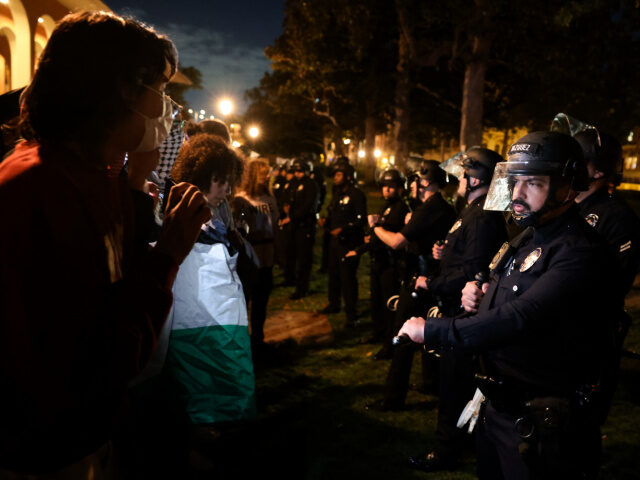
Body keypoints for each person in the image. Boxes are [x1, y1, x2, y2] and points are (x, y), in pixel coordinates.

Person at [0, 11, 210, 475]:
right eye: (160, 89)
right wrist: (170, 254)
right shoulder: (34, 188)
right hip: (44, 450)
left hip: (86, 434)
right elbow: (100, 354)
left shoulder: (97, 175)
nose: (166, 109)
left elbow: (114, 289)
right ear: (122, 90)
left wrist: (135, 186)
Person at [398, 131, 616, 480]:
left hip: (543, 424)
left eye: (533, 183)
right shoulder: (529, 236)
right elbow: (501, 291)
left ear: (566, 187)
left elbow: (522, 316)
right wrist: (479, 292)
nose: (517, 194)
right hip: (501, 409)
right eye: (515, 182)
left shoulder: (578, 250)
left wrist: (435, 330)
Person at [408, 147, 508, 472]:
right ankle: (458, 443)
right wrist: (443, 253)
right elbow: (462, 256)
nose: (458, 180)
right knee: (454, 384)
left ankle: (446, 451)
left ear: (476, 176)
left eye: (464, 173)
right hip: (453, 308)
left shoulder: (481, 216)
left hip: (461, 313)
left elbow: (472, 273)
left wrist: (430, 283)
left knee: (452, 387)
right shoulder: (471, 211)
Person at [375, 161, 456, 408]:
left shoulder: (429, 208)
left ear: (425, 182)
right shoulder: (441, 207)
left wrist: (375, 227)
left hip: (420, 280)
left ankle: (392, 398)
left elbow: (397, 242)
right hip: (434, 279)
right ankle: (430, 383)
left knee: (403, 336)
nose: (410, 186)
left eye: (414, 181)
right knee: (429, 332)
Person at [346, 168, 409, 350]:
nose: (387, 190)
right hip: (378, 261)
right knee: (376, 302)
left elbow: (385, 238)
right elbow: (377, 233)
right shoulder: (386, 206)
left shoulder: (400, 208)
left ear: (399, 188)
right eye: (384, 186)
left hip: (390, 263)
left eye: (391, 186)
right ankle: (378, 333)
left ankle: (389, 343)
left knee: (389, 304)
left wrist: (359, 250)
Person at [232, 159, 279, 349]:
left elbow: (274, 223)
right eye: (263, 172)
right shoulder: (242, 199)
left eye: (268, 172)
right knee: (246, 297)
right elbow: (238, 227)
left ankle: (258, 337)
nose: (267, 176)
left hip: (267, 253)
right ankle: (242, 339)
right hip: (250, 255)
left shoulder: (270, 198)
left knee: (262, 299)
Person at [318, 161, 367, 326]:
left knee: (348, 278)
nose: (336, 178)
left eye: (339, 175)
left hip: (349, 243)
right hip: (335, 243)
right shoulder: (338, 194)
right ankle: (334, 304)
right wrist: (327, 222)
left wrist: (344, 229)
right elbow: (335, 214)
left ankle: (351, 313)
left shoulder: (357, 194)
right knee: (334, 275)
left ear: (347, 176)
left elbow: (361, 220)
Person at [286, 158, 319, 299]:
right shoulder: (294, 183)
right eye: (296, 171)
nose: (298, 173)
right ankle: (293, 281)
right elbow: (289, 199)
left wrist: (292, 216)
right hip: (295, 226)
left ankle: (302, 288)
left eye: (300, 171)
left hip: (305, 226)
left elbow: (308, 206)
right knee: (293, 256)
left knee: (304, 259)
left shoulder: (311, 184)